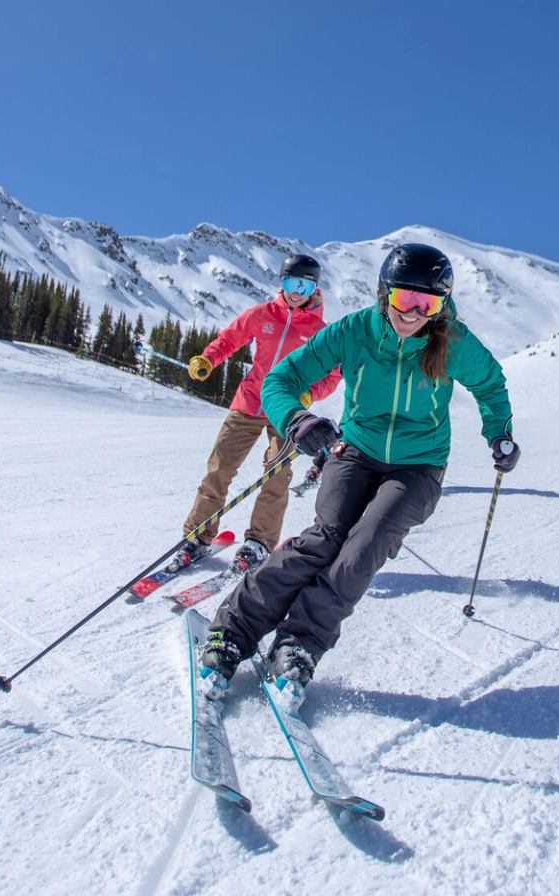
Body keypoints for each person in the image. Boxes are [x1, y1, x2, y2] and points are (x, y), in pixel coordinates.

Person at [196, 241, 518, 708]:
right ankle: (233, 630)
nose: (412, 313)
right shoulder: (355, 331)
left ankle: (300, 644)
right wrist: (298, 420)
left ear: (443, 305)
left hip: (419, 466)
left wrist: (500, 432)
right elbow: (279, 381)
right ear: (383, 293)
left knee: (364, 547)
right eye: (403, 299)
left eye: (427, 303)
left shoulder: (452, 341)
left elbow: (490, 383)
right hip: (355, 451)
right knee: (324, 538)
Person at [169, 254, 342, 574]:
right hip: (248, 402)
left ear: (315, 288)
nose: (295, 291)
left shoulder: (321, 332)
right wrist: (208, 359)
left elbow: (332, 376)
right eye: (290, 282)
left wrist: (310, 393)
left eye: (303, 284)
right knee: (219, 468)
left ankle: (260, 541)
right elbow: (229, 338)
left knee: (276, 473)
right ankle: (197, 536)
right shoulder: (262, 314)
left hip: (288, 410)